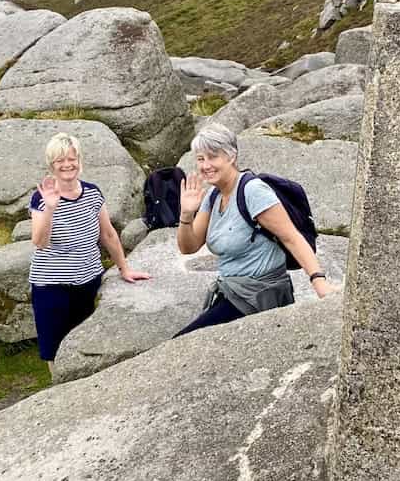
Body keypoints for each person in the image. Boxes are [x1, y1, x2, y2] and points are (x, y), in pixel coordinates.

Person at [175, 123, 330, 336]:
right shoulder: (213, 195)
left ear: (231, 157)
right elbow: (189, 247)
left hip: (259, 295)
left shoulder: (252, 191)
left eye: (213, 157)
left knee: (184, 343)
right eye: (201, 159)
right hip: (231, 292)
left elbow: (291, 237)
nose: (206, 165)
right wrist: (186, 214)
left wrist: (319, 283)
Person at [29, 132, 149, 361]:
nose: (67, 165)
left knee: (84, 344)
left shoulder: (92, 193)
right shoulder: (41, 198)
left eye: (71, 158)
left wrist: (124, 269)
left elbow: (108, 234)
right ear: (51, 166)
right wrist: (51, 208)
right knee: (54, 350)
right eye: (59, 160)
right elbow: (40, 242)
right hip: (52, 286)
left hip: (88, 281)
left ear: (79, 160)